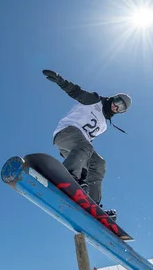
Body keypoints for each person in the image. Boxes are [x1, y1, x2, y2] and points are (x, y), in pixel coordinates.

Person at [42, 69, 131, 216]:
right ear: (113, 98)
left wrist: (84, 174)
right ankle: (67, 178)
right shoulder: (95, 100)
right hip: (66, 132)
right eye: (117, 102)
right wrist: (60, 80)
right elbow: (76, 91)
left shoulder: (103, 126)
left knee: (99, 164)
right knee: (86, 147)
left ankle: (92, 203)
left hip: (76, 148)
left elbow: (85, 149)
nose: (116, 107)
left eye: (121, 108)